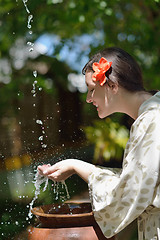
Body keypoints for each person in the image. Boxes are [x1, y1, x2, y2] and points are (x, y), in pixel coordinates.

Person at [38, 47, 160, 240]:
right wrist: (74, 164)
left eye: (92, 90)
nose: (88, 99)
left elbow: (127, 197)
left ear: (113, 86)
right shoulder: (152, 114)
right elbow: (137, 182)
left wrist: (77, 165)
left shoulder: (152, 120)